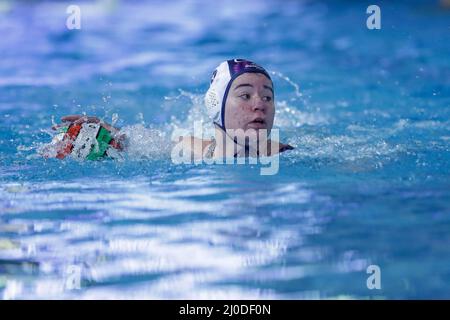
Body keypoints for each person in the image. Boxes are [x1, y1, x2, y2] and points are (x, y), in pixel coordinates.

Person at [53, 59, 293, 160]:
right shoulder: (192, 150)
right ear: (215, 105)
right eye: (245, 95)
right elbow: (138, 143)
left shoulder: (284, 154)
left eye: (268, 97)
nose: (259, 104)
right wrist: (110, 134)